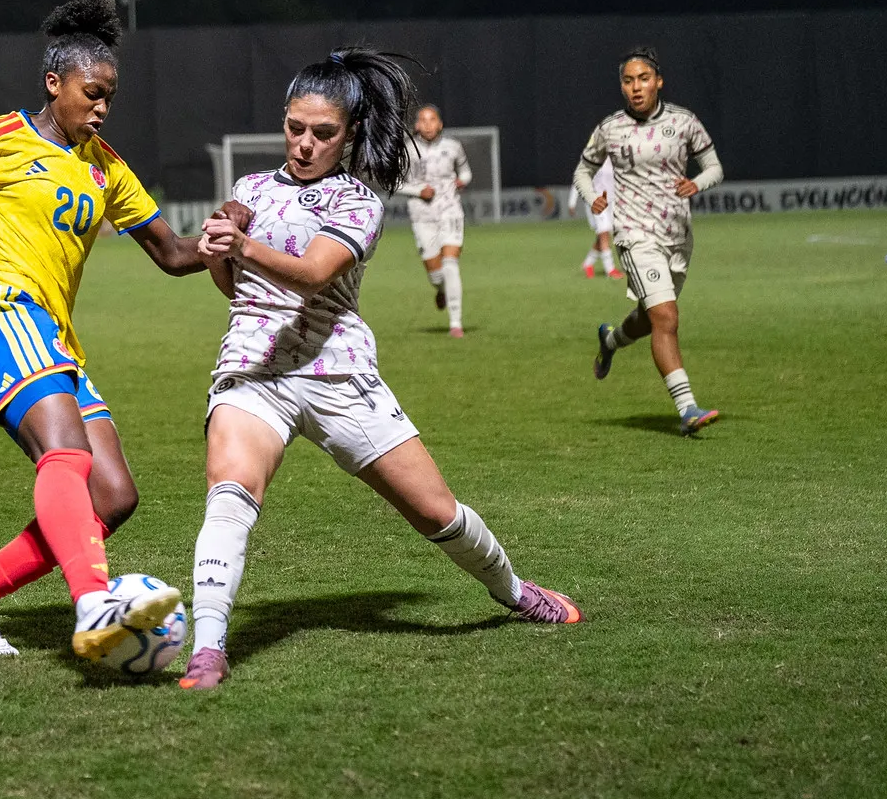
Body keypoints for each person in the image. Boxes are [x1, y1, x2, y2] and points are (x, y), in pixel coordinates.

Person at [176, 49, 580, 691]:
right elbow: (238, 291)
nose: (305, 144)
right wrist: (219, 247)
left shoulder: (358, 201)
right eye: (295, 128)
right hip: (254, 370)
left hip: (339, 376)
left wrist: (245, 244)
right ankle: (207, 652)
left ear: (351, 134)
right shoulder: (250, 190)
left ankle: (512, 588)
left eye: (323, 133)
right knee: (230, 497)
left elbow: (312, 274)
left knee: (436, 513)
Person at [0, 0, 206, 663]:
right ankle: (92, 600)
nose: (101, 106)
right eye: (92, 92)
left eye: (109, 96)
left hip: (53, 334)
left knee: (113, 493)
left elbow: (173, 254)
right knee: (66, 453)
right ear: (53, 83)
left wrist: (231, 237)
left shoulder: (104, 165)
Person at [580, 47, 724, 435]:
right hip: (634, 235)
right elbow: (584, 168)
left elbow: (714, 167)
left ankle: (610, 341)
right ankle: (687, 408)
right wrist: (590, 195)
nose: (636, 87)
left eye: (643, 78)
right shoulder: (610, 128)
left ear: (658, 81)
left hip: (677, 235)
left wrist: (698, 182)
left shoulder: (684, 121)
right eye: (628, 81)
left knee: (650, 317)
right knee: (667, 317)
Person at [396, 104, 471, 336]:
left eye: (433, 120)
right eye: (423, 120)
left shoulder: (453, 146)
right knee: (436, 274)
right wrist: (418, 191)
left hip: (450, 211)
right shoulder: (407, 150)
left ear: (440, 124)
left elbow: (466, 172)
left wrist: (462, 181)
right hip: (422, 216)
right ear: (417, 125)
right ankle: (441, 289)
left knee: (450, 265)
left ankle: (456, 324)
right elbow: (395, 183)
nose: (428, 124)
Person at [570, 158, 622, 278]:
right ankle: (610, 270)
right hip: (596, 201)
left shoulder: (615, 158)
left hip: (612, 202)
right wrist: (572, 202)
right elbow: (580, 179)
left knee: (603, 234)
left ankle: (588, 264)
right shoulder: (592, 158)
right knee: (604, 233)